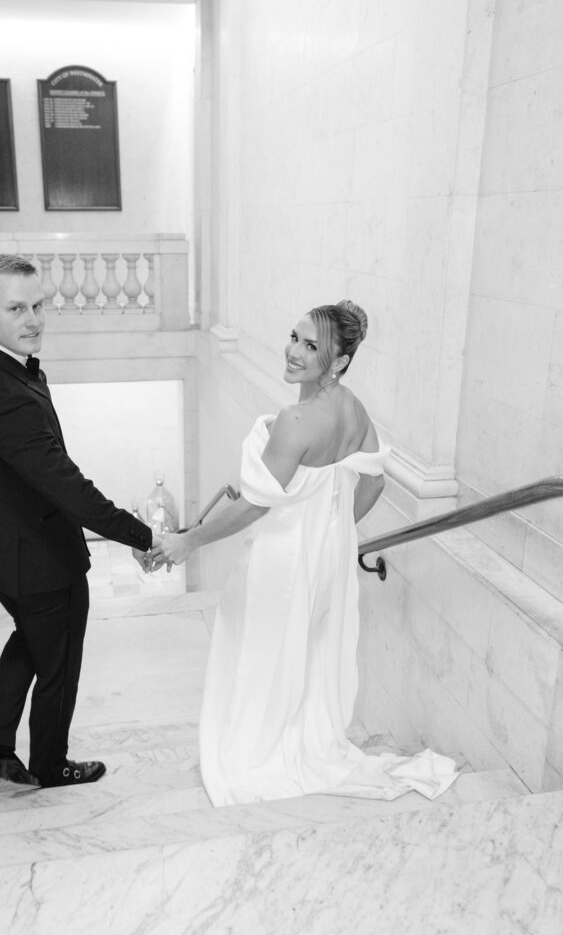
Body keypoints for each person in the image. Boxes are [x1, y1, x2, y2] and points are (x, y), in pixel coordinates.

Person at [153, 301, 458, 806]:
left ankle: (253, 752)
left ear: (338, 361)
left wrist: (189, 541)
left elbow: (253, 506)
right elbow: (375, 481)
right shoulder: (353, 409)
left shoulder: (296, 421)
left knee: (259, 650)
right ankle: (293, 740)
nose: (294, 352)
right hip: (322, 563)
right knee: (303, 652)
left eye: (311, 346)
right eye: (294, 337)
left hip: (278, 560)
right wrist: (333, 533)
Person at [0, 254, 158, 794]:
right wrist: (145, 536)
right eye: (16, 307)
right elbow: (69, 488)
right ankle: (48, 765)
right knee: (57, 663)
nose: (33, 318)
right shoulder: (8, 396)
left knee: (30, 639)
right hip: (40, 560)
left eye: (38, 305)